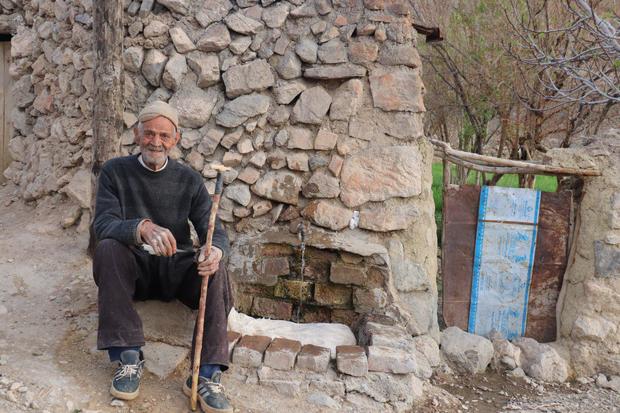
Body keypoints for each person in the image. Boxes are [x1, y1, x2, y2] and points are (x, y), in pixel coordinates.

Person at [92, 100, 233, 413]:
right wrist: (141, 227)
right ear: (137, 133)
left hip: (175, 270)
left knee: (216, 266)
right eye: (150, 134)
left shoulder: (189, 179)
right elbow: (102, 224)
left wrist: (214, 250)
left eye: (164, 136)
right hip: (135, 269)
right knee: (107, 248)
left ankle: (206, 374)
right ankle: (128, 358)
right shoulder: (115, 172)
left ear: (176, 139)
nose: (156, 142)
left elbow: (216, 231)